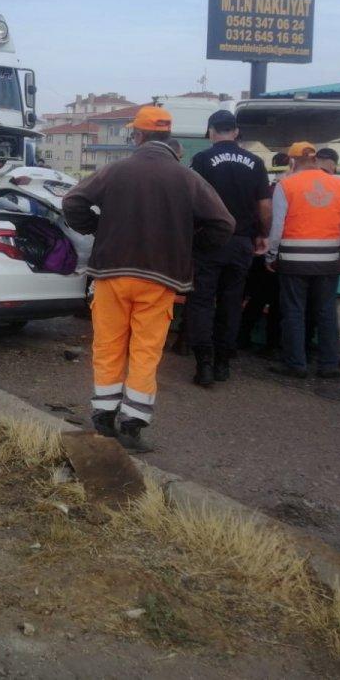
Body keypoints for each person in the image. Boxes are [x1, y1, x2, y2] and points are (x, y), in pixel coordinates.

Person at [62, 106, 234, 452]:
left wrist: (99, 229)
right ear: (169, 137)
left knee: (108, 345)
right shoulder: (187, 177)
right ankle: (132, 426)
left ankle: (103, 419)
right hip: (160, 277)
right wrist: (187, 246)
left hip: (112, 273)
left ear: (138, 136)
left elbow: (73, 202)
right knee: (145, 350)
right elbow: (223, 224)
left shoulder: (115, 170)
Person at [186, 110, 271, 386]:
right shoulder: (256, 162)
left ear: (211, 131)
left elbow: (190, 201)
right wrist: (263, 234)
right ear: (235, 132)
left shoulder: (201, 160)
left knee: (201, 301)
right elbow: (265, 206)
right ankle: (223, 363)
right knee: (231, 302)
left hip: (208, 240)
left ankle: (204, 365)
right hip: (241, 241)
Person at [266, 142, 340, 379]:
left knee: (294, 311)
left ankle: (296, 363)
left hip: (293, 260)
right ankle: (328, 364)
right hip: (328, 260)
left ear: (292, 161)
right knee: (327, 311)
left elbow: (278, 225)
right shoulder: (338, 184)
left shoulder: (286, 184)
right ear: (315, 159)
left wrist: (271, 255)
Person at [239, 152, 290, 355]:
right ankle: (272, 344)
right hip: (282, 251)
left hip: (264, 249)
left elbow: (263, 215)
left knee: (258, 297)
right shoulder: (289, 188)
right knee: (276, 300)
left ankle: (242, 337)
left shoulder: (272, 189)